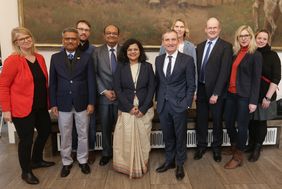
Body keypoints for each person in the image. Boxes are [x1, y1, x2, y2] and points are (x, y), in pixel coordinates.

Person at [0, 27, 55, 185]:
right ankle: (26, 171)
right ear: (16, 42)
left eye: (27, 37)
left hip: (40, 106)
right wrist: (6, 110)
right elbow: (3, 86)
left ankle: (36, 160)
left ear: (32, 38)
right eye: (21, 39)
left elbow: (43, 83)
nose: (26, 41)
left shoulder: (39, 57)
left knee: (45, 132)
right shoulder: (13, 60)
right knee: (26, 140)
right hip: (21, 108)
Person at [49, 27, 96, 177]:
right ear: (62, 40)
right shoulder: (55, 58)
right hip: (63, 103)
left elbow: (91, 82)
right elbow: (53, 83)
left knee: (83, 133)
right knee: (66, 134)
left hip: (82, 102)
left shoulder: (87, 57)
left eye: (73, 39)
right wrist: (53, 103)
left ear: (78, 41)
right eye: (67, 38)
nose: (70, 41)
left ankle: (83, 160)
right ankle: (66, 162)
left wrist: (91, 102)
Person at [155, 30, 195, 180]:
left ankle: (179, 163)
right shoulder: (159, 60)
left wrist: (186, 103)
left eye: (173, 39)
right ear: (163, 42)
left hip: (179, 105)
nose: (170, 42)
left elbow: (191, 85)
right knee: (168, 135)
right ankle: (169, 161)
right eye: (167, 40)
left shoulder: (187, 60)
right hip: (163, 105)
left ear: (178, 41)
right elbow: (158, 82)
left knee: (180, 136)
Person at [112, 39, 155, 178]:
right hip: (126, 109)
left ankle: (142, 164)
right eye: (129, 49)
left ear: (140, 51)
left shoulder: (147, 66)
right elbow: (117, 88)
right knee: (126, 138)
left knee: (143, 138)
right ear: (125, 52)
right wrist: (130, 107)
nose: (132, 52)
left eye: (135, 49)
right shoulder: (120, 66)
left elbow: (151, 88)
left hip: (144, 110)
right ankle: (126, 166)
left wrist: (142, 108)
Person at [194, 17, 233, 162]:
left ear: (219, 29)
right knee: (201, 120)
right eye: (209, 28)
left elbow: (224, 72)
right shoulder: (199, 46)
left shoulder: (226, 47)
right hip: (201, 89)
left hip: (217, 91)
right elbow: (196, 70)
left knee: (217, 121)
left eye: (214, 27)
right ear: (205, 29)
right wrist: (196, 90)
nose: (212, 30)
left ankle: (217, 148)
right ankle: (201, 146)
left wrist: (216, 93)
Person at [224, 25, 262, 169]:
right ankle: (235, 145)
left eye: (247, 35)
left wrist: (253, 101)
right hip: (231, 94)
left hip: (244, 97)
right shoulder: (235, 53)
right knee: (228, 122)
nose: (244, 38)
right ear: (237, 38)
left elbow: (256, 80)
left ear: (251, 37)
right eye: (241, 36)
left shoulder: (256, 55)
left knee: (242, 126)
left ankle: (238, 155)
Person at [247, 29, 281, 162]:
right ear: (254, 38)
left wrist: (267, 97)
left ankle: (257, 147)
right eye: (259, 38)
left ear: (268, 41)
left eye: (264, 39)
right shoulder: (251, 53)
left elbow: (276, 78)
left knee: (261, 122)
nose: (261, 40)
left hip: (265, 95)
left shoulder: (272, 55)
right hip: (251, 95)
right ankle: (251, 144)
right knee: (251, 121)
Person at [93, 24, 121, 166]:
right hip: (104, 97)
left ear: (118, 36)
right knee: (105, 126)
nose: (111, 35)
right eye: (108, 33)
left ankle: (119, 154)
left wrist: (119, 91)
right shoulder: (97, 52)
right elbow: (95, 74)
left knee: (120, 127)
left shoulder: (124, 51)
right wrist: (104, 91)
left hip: (121, 97)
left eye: (114, 33)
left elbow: (127, 73)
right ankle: (106, 153)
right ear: (104, 35)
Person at [72, 19, 96, 164]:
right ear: (76, 31)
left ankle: (90, 150)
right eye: (80, 29)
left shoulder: (93, 50)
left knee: (90, 125)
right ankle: (75, 151)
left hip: (89, 93)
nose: (83, 32)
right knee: (74, 125)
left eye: (86, 30)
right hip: (73, 94)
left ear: (89, 33)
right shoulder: (65, 50)